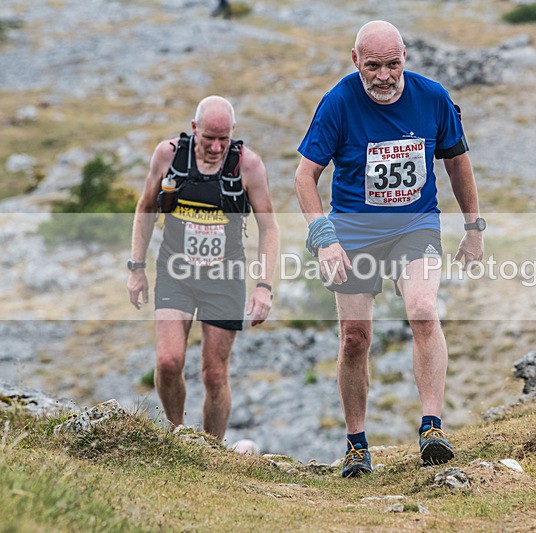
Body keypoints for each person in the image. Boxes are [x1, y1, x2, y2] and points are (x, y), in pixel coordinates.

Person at [294, 20, 484, 477]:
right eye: (374, 65)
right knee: (355, 338)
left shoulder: (433, 97)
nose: (384, 76)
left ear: (406, 58)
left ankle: (432, 427)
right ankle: (357, 445)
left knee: (422, 309)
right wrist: (324, 240)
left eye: (393, 64)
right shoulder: (338, 102)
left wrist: (474, 228)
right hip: (354, 233)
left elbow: (457, 163)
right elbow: (304, 177)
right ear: (355, 59)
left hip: (415, 226)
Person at [127, 95, 279, 441]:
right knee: (168, 362)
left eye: (223, 139)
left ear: (232, 134)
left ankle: (211, 449)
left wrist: (263, 286)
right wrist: (136, 268)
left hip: (224, 279)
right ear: (194, 128)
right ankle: (177, 434)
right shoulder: (168, 155)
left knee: (214, 374)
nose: (214, 147)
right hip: (175, 272)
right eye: (208, 137)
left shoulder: (248, 166)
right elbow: (146, 207)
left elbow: (270, 227)